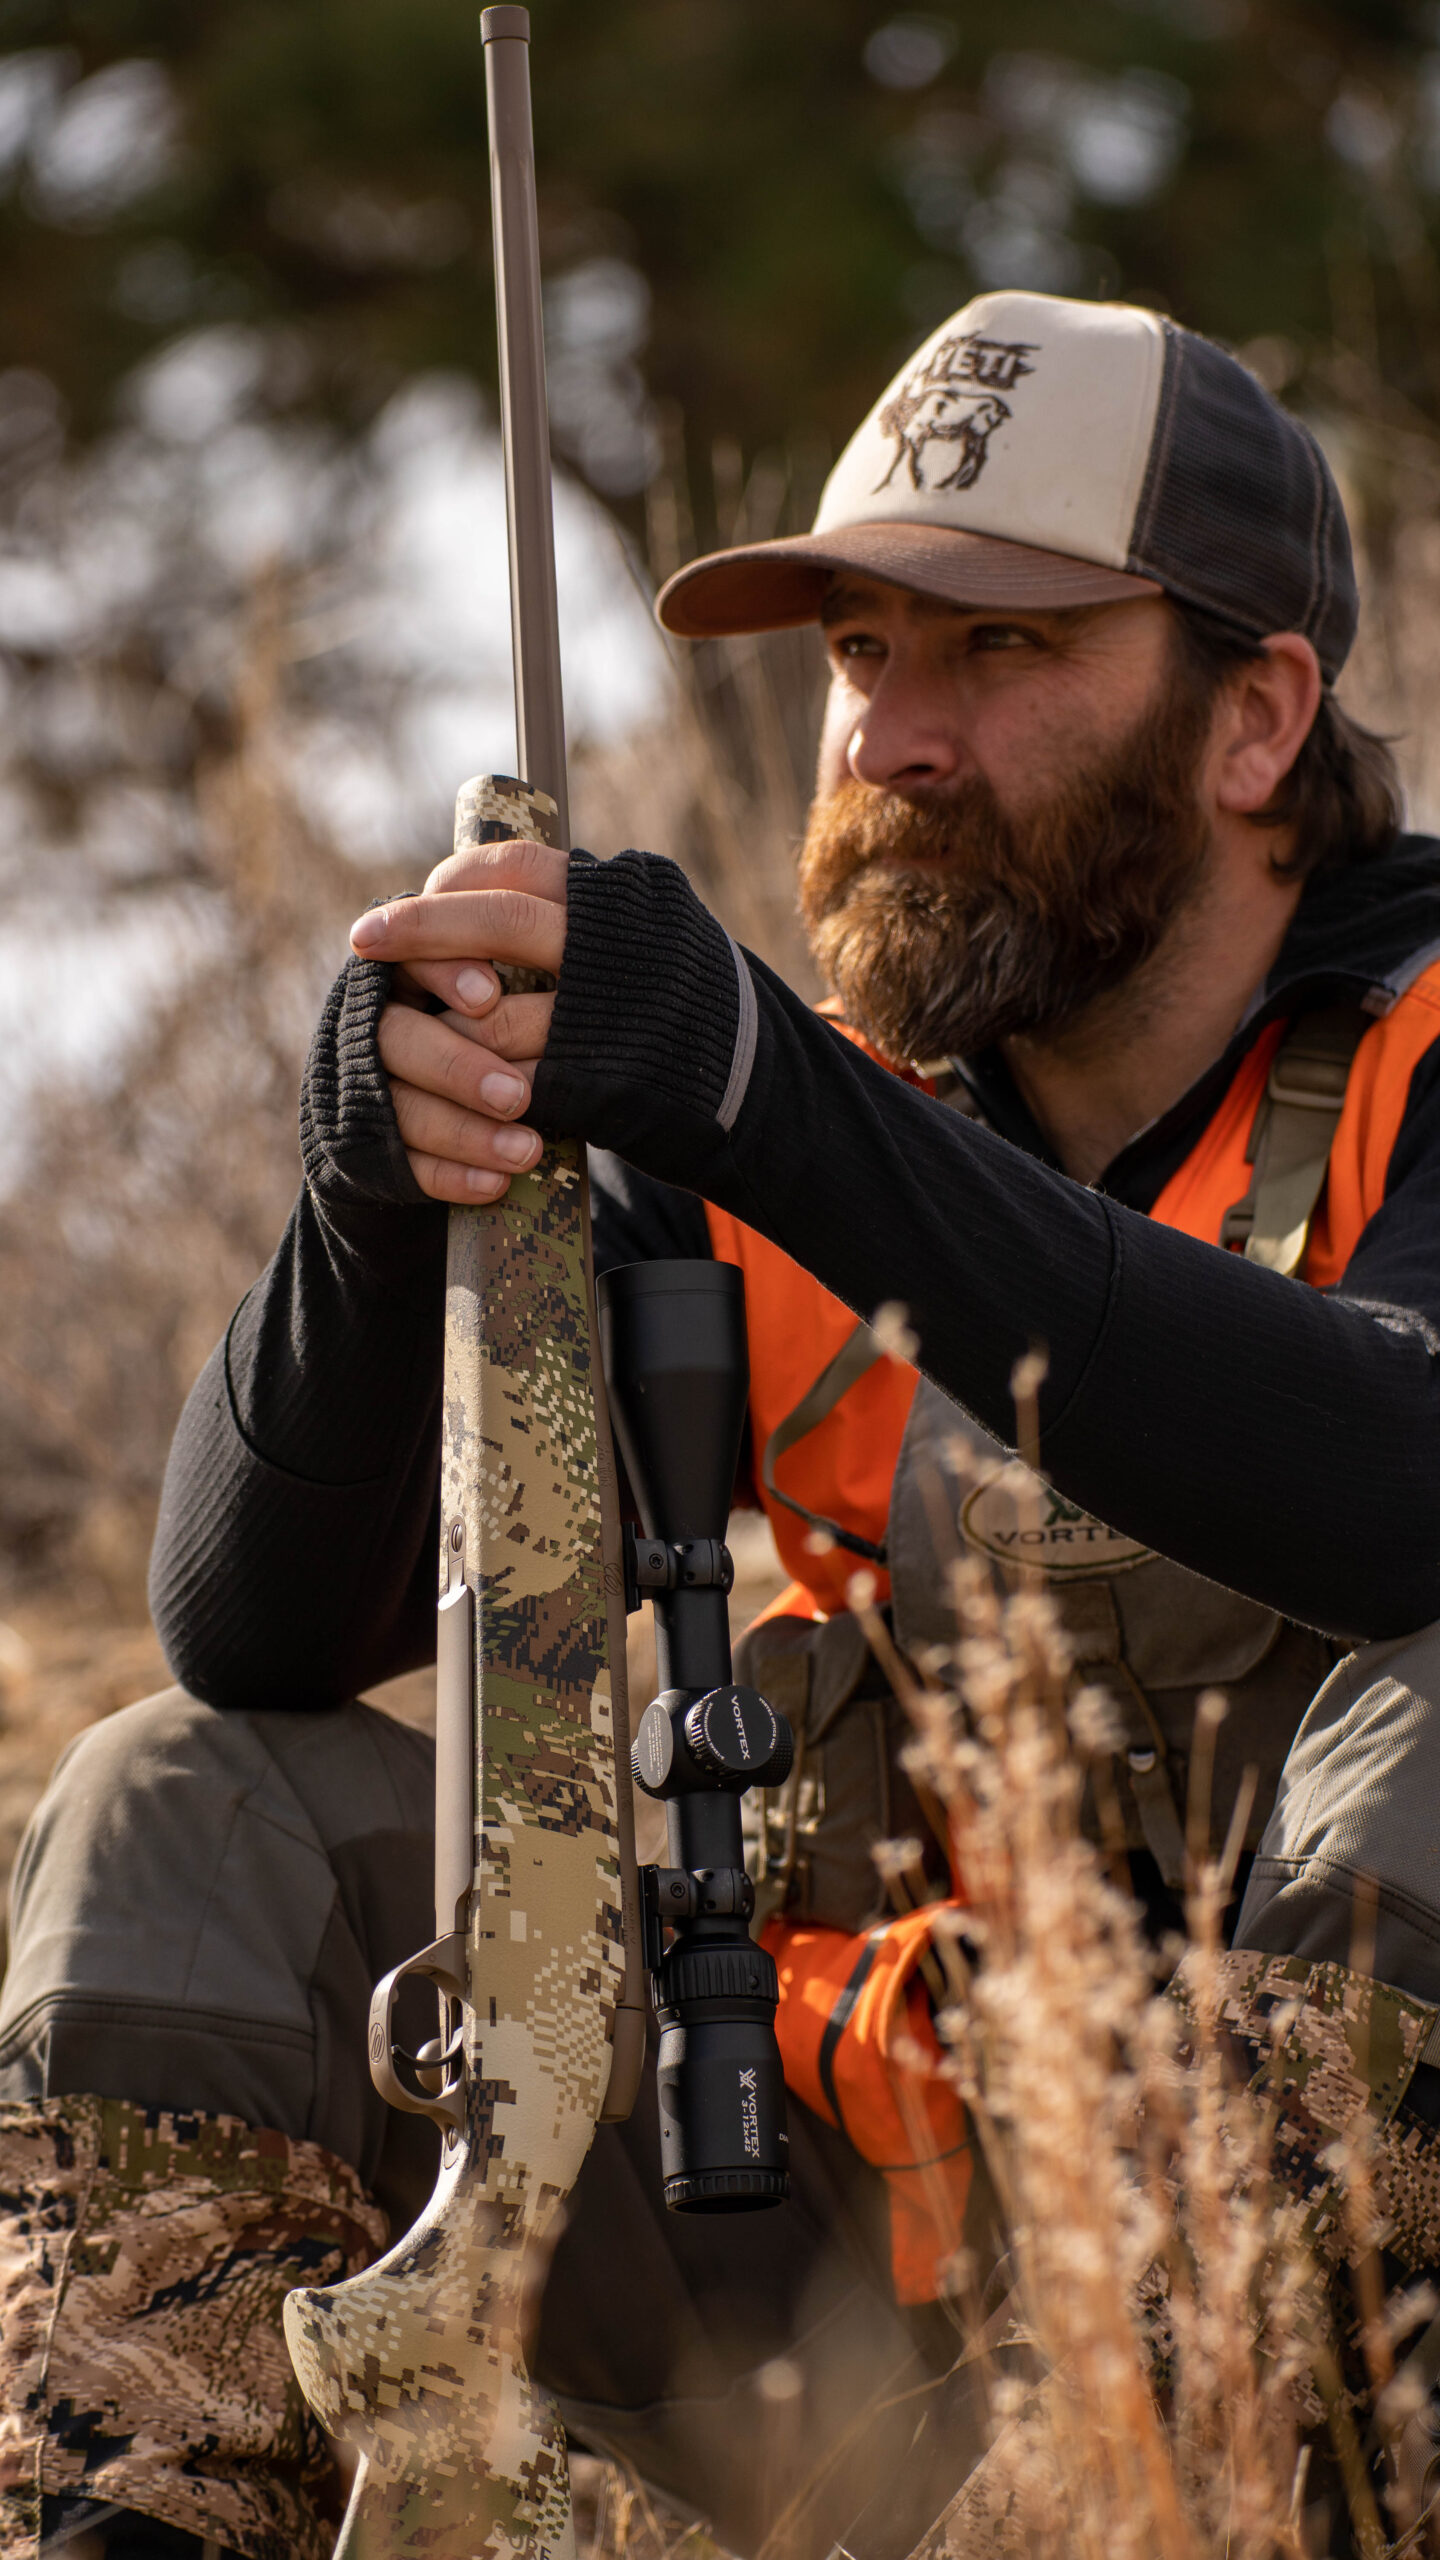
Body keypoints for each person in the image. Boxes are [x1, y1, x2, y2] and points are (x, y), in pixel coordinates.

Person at [4, 286, 1440, 2558]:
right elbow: (254, 1631)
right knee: (180, 1794)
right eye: (864, 650)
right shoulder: (787, 1140)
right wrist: (375, 1196)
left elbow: (1405, 1484)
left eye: (1003, 648)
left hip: (1313, 2372)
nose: (892, 736)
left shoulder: (1414, 1041)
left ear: (1258, 714)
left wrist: (771, 1094)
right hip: (846, 2251)